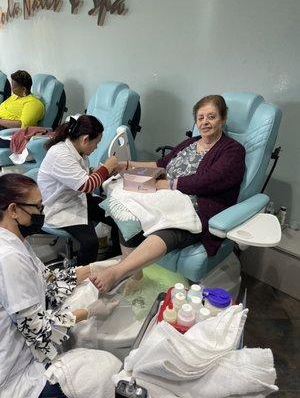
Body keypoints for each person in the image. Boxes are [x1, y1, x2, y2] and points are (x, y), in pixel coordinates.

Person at [89, 95, 246, 293]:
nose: (205, 122)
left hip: (194, 204)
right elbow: (160, 164)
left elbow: (209, 181)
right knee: (126, 208)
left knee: (171, 225)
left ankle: (118, 271)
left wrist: (167, 184)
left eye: (212, 117)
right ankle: (136, 275)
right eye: (200, 118)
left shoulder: (233, 150)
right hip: (164, 193)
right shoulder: (190, 142)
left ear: (223, 118)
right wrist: (125, 165)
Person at [0, 173, 119, 398]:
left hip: (27, 343)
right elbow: (38, 332)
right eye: (37, 207)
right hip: (15, 375)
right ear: (13, 210)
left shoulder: (16, 241)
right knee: (107, 367)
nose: (42, 212)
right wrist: (88, 311)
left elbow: (47, 282)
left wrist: (92, 269)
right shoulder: (8, 258)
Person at [38, 114, 121, 266]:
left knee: (118, 215)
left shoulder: (77, 150)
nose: (96, 147)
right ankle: (77, 276)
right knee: (90, 243)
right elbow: (86, 185)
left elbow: (80, 174)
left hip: (75, 198)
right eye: (96, 143)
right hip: (59, 206)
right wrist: (106, 167)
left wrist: (100, 171)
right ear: (85, 139)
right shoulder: (60, 154)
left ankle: (115, 257)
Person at [0, 70, 45, 147]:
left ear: (23, 89)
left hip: (10, 135)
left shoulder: (33, 103)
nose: (11, 88)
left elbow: (21, 126)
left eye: (13, 86)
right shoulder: (15, 96)